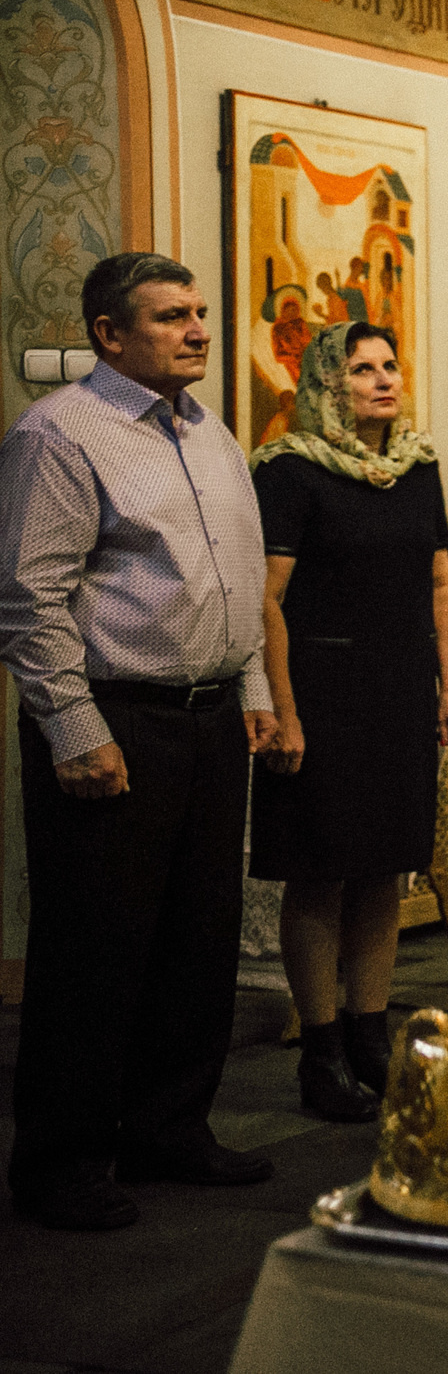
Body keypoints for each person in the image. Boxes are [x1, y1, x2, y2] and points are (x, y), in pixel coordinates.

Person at [0, 253, 281, 1232]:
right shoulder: (59, 433)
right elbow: (30, 598)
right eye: (171, 317)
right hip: (113, 716)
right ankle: (61, 1161)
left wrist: (247, 684)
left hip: (206, 717)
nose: (198, 329)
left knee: (196, 940)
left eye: (201, 311)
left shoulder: (212, 434)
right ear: (109, 335)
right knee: (95, 947)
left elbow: (233, 573)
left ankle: (169, 1129)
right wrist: (72, 725)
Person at [250, 323, 448, 1123]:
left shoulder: (417, 466)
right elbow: (264, 597)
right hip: (321, 690)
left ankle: (372, 1036)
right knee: (321, 868)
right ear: (324, 384)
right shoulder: (292, 470)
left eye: (390, 365)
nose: (383, 380)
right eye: (361, 369)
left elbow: (439, 585)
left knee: (385, 868)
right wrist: (282, 709)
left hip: (398, 688)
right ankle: (321, 1048)